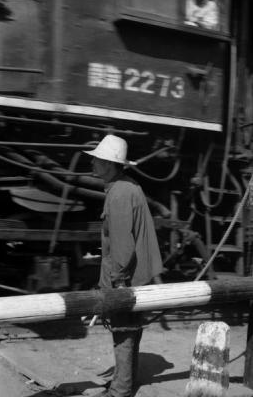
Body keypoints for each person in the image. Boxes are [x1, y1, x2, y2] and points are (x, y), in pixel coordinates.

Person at [84, 134, 163, 397]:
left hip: (126, 278)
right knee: (130, 331)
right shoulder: (128, 187)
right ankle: (124, 381)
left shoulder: (118, 194)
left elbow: (122, 246)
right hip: (137, 276)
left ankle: (120, 391)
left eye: (97, 160)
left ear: (109, 164)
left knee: (123, 331)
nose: (93, 163)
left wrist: (118, 282)